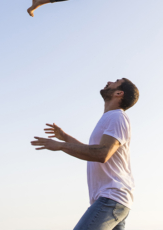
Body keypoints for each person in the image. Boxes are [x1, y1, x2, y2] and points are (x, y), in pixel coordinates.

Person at [30, 78, 140, 230]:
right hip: (114, 200)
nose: (108, 81)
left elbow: (102, 154)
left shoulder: (117, 117)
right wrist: (65, 137)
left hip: (112, 197)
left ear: (119, 93)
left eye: (115, 81)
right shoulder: (110, 117)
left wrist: (62, 146)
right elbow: (93, 151)